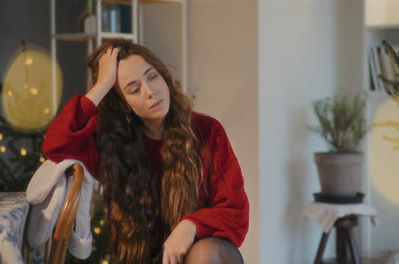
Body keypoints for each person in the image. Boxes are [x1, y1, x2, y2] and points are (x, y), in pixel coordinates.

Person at [42, 39, 249, 264]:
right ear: (123, 104)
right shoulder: (111, 143)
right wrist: (103, 84)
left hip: (203, 254)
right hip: (141, 259)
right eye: (134, 89)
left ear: (164, 77)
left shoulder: (207, 131)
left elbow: (235, 213)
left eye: (152, 76)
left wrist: (190, 226)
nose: (151, 92)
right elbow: (56, 144)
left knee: (206, 253)